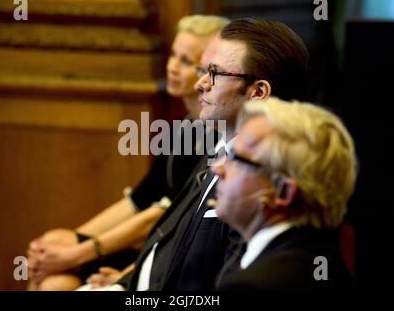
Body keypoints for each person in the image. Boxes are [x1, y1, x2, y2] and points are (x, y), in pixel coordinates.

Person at [26, 15, 230, 291]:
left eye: (186, 62)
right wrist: (73, 239)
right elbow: (139, 200)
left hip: (159, 249)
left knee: (56, 282)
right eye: (173, 55)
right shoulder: (183, 125)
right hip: (147, 241)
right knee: (54, 242)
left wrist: (76, 254)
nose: (172, 67)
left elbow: (160, 216)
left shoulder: (218, 137)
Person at [116, 17, 311, 291]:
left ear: (258, 92)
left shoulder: (261, 181)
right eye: (203, 71)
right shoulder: (220, 150)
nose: (200, 84)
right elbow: (170, 250)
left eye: (215, 74)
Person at [213, 97, 357, 292]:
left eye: (236, 159)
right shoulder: (330, 265)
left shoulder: (250, 288)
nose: (218, 168)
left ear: (284, 192)